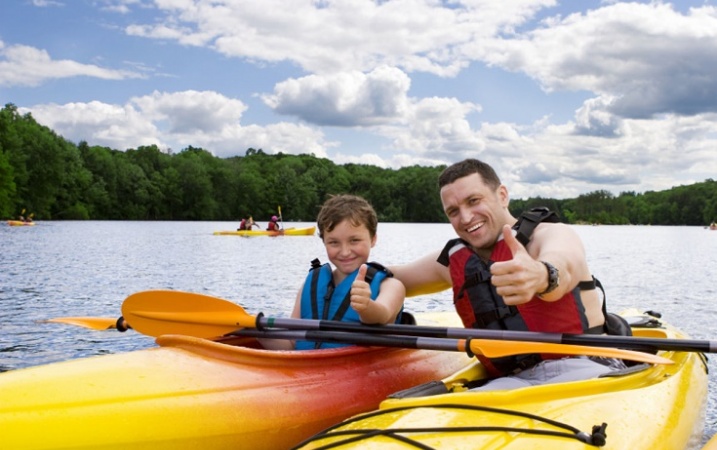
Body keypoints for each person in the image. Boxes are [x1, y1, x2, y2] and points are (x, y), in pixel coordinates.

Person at [390, 158, 628, 390]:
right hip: (511, 382)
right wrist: (355, 256)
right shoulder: (451, 261)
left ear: (502, 195)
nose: (465, 217)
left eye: (473, 201)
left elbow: (564, 264)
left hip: (584, 367)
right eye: (453, 211)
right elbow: (393, 278)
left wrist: (541, 275)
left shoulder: (548, 234)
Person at [261, 194, 406, 350]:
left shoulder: (392, 286)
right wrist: (257, 331)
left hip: (361, 369)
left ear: (373, 239)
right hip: (308, 368)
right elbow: (291, 343)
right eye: (334, 242)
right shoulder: (309, 285)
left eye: (354, 240)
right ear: (324, 242)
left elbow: (383, 315)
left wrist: (367, 307)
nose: (344, 252)